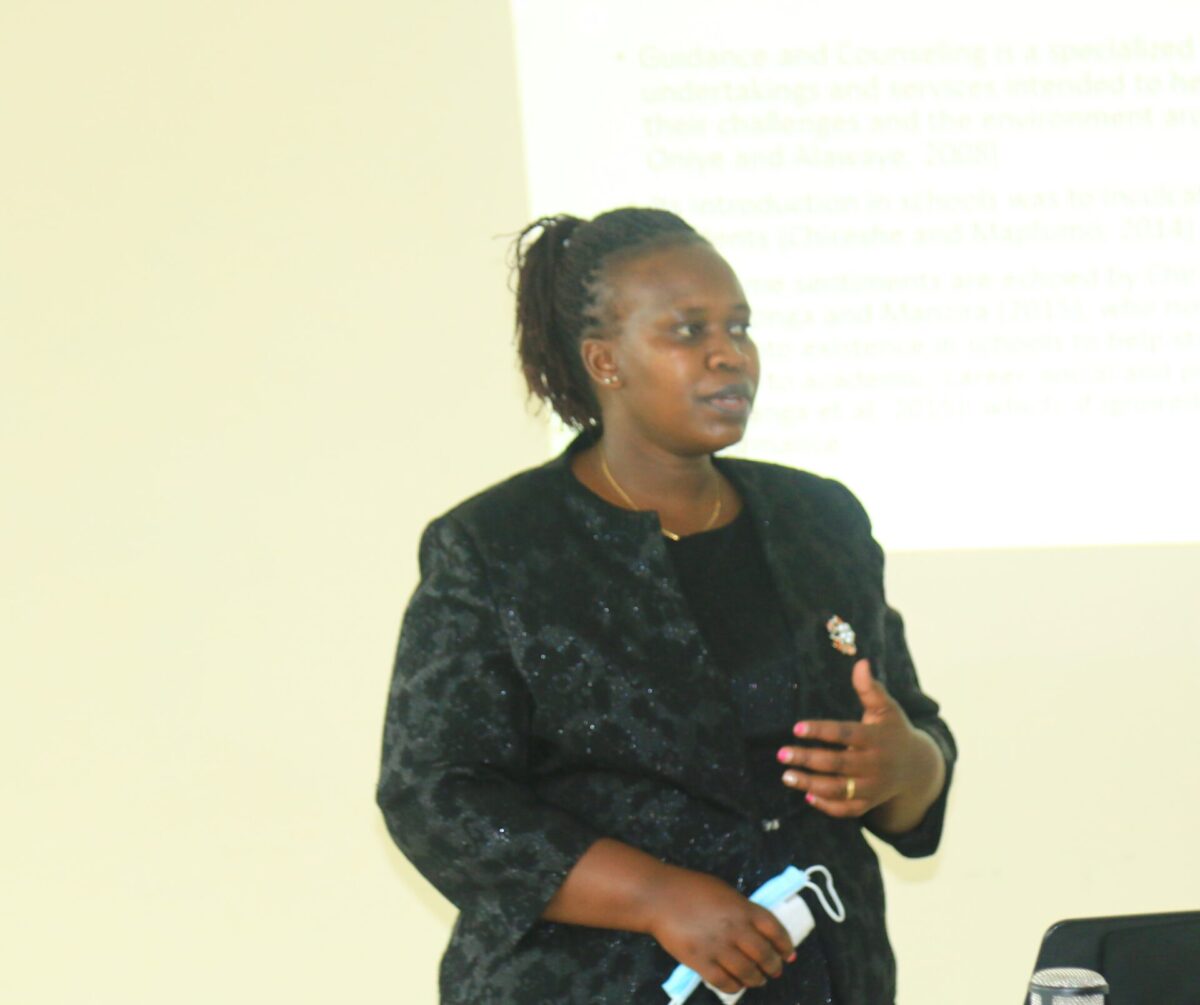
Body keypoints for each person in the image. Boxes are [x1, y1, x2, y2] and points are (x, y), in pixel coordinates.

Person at [377, 207, 955, 1004]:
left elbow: (910, 737)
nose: (731, 354)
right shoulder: (499, 546)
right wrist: (656, 896)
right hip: (593, 983)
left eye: (740, 327)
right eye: (689, 331)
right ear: (605, 361)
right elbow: (435, 792)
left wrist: (910, 767)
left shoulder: (820, 520)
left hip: (823, 978)